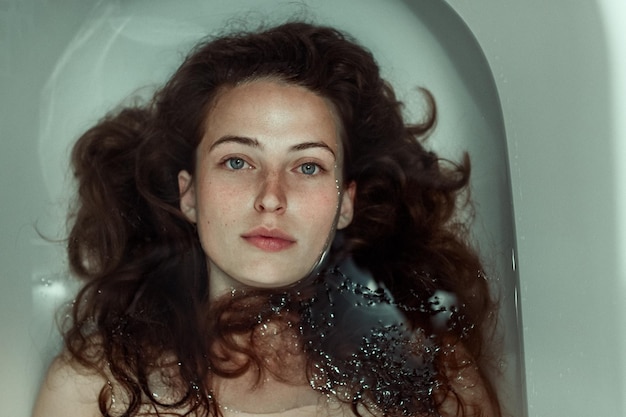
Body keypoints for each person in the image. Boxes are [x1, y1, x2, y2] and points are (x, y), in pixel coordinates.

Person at [32, 21, 502, 417]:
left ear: (345, 203)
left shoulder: (435, 379)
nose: (271, 198)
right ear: (189, 193)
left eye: (308, 166)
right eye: (238, 161)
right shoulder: (92, 388)